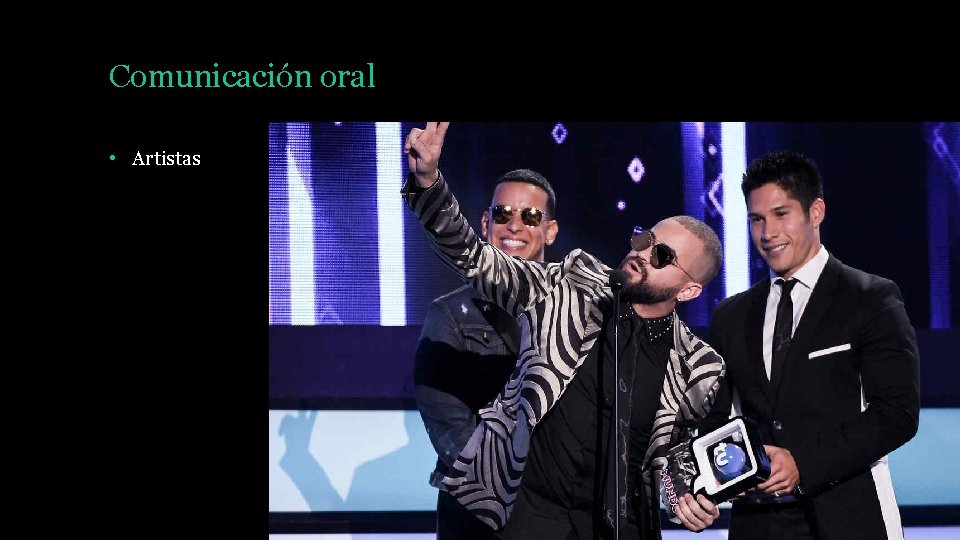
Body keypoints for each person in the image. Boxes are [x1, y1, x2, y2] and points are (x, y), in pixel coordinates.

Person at [402, 122, 724, 539]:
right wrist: (428, 181)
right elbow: (472, 257)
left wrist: (683, 497)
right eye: (644, 240)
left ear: (690, 289)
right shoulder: (565, 287)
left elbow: (670, 456)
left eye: (661, 255)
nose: (642, 254)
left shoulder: (698, 366)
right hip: (530, 521)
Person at [704, 150, 921, 539]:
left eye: (781, 214)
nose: (767, 233)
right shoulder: (731, 316)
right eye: (756, 219)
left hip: (849, 518)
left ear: (816, 212)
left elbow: (897, 414)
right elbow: (714, 420)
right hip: (758, 524)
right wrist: (710, 479)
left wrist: (803, 463)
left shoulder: (870, 299)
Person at [413, 167, 559, 540]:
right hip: (479, 512)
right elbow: (450, 428)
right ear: (484, 223)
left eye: (530, 216)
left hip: (561, 512)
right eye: (502, 213)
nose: (515, 226)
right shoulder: (450, 315)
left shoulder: (574, 311)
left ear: (550, 230)